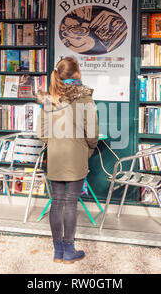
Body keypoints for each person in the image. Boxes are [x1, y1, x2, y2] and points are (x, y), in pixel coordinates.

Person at [36, 56, 99, 264]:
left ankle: (58, 252)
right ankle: (69, 251)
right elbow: (92, 134)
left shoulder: (49, 99)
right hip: (76, 157)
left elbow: (42, 133)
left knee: (57, 202)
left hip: (55, 157)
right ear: (77, 73)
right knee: (70, 203)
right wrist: (88, 150)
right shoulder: (84, 98)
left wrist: (54, 144)